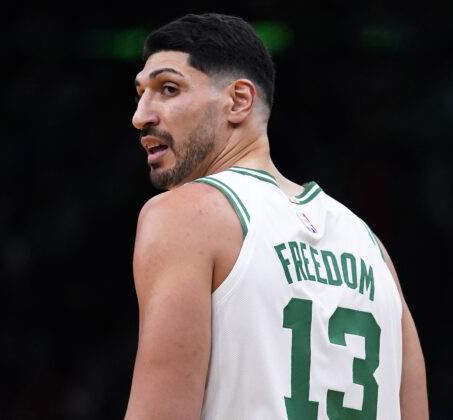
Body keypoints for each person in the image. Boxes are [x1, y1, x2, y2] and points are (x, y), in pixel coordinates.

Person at [125, 13, 428, 420]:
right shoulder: (370, 245)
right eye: (141, 93)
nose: (141, 115)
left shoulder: (185, 216)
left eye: (168, 89)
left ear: (238, 100)